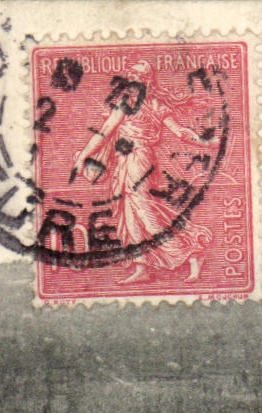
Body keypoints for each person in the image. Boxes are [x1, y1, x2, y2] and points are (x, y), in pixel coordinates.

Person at [69, 61, 219, 284]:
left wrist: (205, 142)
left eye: (136, 75)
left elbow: (179, 132)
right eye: (130, 74)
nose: (131, 79)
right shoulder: (125, 104)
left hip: (140, 159)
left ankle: (190, 251)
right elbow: (104, 133)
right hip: (123, 161)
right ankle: (143, 266)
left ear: (147, 80)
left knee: (143, 209)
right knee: (129, 212)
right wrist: (82, 156)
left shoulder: (156, 105)